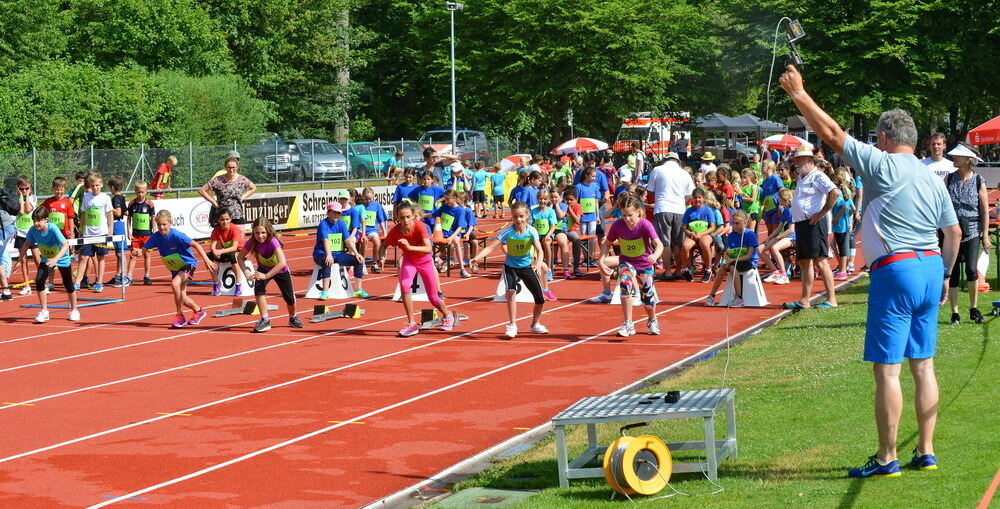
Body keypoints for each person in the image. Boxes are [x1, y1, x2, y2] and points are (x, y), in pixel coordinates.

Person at [780, 64, 960, 478]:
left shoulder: (881, 163)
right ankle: (926, 451)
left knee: (888, 370)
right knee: (924, 366)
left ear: (882, 139)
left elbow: (831, 133)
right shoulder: (933, 176)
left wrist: (799, 94)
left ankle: (886, 457)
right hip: (931, 267)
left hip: (897, 270)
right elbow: (952, 233)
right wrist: (946, 276)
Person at [473, 202, 550, 339]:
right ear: (512, 217)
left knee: (540, 299)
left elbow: (539, 250)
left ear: (527, 216)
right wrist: (477, 257)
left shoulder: (531, 231)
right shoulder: (508, 232)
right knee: (511, 292)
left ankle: (535, 324)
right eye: (515, 217)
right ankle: (512, 324)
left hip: (526, 267)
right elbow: (491, 247)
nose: (518, 219)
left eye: (521, 216)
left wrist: (538, 264)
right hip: (510, 267)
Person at [593, 195, 663, 335]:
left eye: (630, 215)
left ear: (638, 212)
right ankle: (628, 324)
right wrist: (601, 261)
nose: (627, 219)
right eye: (624, 215)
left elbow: (659, 244)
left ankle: (652, 320)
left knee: (648, 298)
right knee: (625, 288)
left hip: (644, 264)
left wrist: (655, 255)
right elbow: (606, 244)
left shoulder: (645, 224)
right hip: (626, 262)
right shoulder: (617, 226)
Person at [781, 145, 840, 310]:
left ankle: (832, 299)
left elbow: (835, 192)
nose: (796, 162)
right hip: (802, 224)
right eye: (795, 159)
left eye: (799, 159)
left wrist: (821, 213)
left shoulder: (817, 176)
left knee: (820, 260)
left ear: (809, 160)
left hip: (814, 224)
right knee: (805, 262)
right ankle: (804, 300)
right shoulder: (802, 176)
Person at [384, 202, 455, 337]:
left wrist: (410, 247)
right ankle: (411, 323)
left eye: (408, 217)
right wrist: (381, 257)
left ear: (413, 216)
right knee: (404, 285)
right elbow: (384, 244)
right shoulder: (395, 231)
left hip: (425, 261)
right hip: (409, 261)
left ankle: (447, 315)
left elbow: (429, 249)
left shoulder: (420, 226)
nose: (405, 220)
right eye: (402, 217)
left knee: (433, 297)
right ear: (397, 217)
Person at [944, 142, 991, 324]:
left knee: (971, 270)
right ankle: (955, 312)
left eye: (957, 156)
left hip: (972, 230)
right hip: (952, 232)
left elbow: (984, 211)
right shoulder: (949, 179)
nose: (953, 158)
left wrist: (985, 235)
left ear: (967, 159)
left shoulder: (979, 181)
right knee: (953, 271)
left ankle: (974, 308)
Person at [143, 210, 215, 328]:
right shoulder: (156, 237)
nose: (162, 227)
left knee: (174, 284)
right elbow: (144, 249)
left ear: (170, 223)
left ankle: (180, 316)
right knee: (182, 296)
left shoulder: (177, 235)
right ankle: (199, 311)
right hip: (175, 267)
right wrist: (138, 252)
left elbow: (196, 244)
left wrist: (207, 260)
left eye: (164, 224)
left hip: (187, 264)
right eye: (159, 224)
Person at [238, 217, 301, 332]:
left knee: (289, 298)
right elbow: (240, 257)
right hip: (263, 268)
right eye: (257, 233)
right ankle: (264, 319)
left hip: (280, 270)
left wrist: (266, 276)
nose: (260, 236)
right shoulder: (252, 241)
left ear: (268, 231)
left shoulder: (273, 241)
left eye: (263, 233)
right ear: (253, 232)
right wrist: (246, 273)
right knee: (258, 291)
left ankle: (293, 317)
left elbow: (282, 263)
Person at [24, 207, 79, 323]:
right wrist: (20, 258)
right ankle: (44, 311)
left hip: (62, 258)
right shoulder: (33, 230)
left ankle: (74, 310)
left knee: (68, 284)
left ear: (46, 220)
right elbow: (26, 244)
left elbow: (65, 245)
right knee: (39, 281)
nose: (36, 223)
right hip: (46, 259)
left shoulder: (53, 228)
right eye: (34, 221)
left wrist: (55, 259)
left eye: (39, 220)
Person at [645, 152, 695, 281]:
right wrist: (682, 203)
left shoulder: (657, 170)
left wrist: (657, 200)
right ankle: (678, 270)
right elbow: (691, 194)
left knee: (664, 242)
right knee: (678, 243)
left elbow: (649, 191)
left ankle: (667, 272)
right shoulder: (684, 173)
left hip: (662, 208)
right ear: (677, 161)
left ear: (665, 160)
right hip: (679, 210)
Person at [706, 210, 758, 307]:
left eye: (737, 223)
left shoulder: (750, 235)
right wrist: (728, 258)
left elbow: (749, 256)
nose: (734, 225)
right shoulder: (731, 236)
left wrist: (732, 261)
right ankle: (712, 295)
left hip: (749, 262)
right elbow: (727, 252)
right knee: (722, 268)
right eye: (733, 223)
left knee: (732, 267)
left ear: (745, 223)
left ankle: (739, 298)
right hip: (733, 261)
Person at [314, 202, 365, 300]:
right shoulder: (323, 224)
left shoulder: (341, 223)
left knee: (359, 261)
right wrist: (329, 254)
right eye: (334, 212)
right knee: (327, 261)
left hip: (338, 254)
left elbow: (347, 240)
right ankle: (325, 292)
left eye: (338, 213)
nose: (336, 215)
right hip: (321, 253)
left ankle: (358, 290)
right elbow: (325, 240)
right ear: (328, 213)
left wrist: (356, 253)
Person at [74, 173, 114, 293]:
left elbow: (110, 214)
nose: (95, 187)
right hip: (88, 233)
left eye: (97, 185)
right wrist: (81, 229)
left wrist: (110, 230)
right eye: (93, 185)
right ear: (90, 186)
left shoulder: (105, 198)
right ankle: (77, 283)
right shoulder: (87, 197)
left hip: (101, 233)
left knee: (100, 257)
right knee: (83, 257)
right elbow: (83, 214)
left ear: (101, 185)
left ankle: (99, 282)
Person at [199, 156, 257, 226]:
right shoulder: (218, 180)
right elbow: (202, 190)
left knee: (239, 233)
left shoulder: (242, 179)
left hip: (237, 216)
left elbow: (253, 188)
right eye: (229, 167)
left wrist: (243, 197)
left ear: (237, 167)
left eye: (233, 167)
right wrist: (214, 202)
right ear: (225, 167)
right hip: (222, 217)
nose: (231, 170)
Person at [678, 189, 717, 282]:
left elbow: (712, 227)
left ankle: (708, 270)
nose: (697, 200)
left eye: (699, 197)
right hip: (692, 235)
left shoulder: (708, 210)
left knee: (704, 244)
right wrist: (689, 233)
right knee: (685, 246)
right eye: (695, 198)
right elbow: (684, 227)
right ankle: (685, 269)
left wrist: (701, 234)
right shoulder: (689, 211)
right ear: (692, 198)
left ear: (703, 198)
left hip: (705, 234)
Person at [206, 208, 247, 296]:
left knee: (233, 255)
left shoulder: (234, 229)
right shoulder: (216, 230)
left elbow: (234, 247)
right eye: (222, 220)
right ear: (218, 220)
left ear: (231, 219)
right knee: (209, 256)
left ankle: (238, 283)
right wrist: (214, 251)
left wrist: (220, 251)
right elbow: (212, 246)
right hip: (225, 252)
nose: (225, 222)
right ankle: (216, 282)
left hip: (239, 252)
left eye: (227, 219)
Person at [760, 188, 795, 285]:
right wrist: (769, 238)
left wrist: (777, 238)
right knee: (759, 249)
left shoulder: (791, 211)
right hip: (785, 237)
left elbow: (791, 230)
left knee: (774, 248)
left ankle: (784, 275)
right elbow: (779, 228)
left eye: (779, 198)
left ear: (784, 198)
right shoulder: (785, 210)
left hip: (793, 237)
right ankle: (775, 272)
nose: (777, 200)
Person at [125, 181, 155, 286]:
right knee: (133, 255)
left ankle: (147, 276)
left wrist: (154, 232)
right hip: (135, 235)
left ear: (146, 191)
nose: (140, 194)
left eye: (142, 192)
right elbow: (129, 219)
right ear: (135, 191)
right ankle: (129, 276)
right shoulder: (131, 204)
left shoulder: (149, 204)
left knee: (147, 254)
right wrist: (128, 231)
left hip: (147, 235)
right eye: (138, 192)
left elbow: (153, 218)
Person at [12, 175, 37, 295]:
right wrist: (21, 197)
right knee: (23, 260)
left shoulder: (33, 198)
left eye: (26, 188)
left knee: (37, 258)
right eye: (21, 189)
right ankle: (27, 285)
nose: (24, 191)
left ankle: (42, 282)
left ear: (29, 187)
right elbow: (21, 211)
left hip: (32, 233)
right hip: (21, 234)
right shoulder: (15, 199)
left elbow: (27, 209)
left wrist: (26, 196)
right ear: (18, 188)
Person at [830, 172, 856, 281]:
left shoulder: (838, 193)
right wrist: (847, 218)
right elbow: (853, 209)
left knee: (842, 248)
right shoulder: (846, 192)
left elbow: (843, 207)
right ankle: (842, 269)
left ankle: (842, 271)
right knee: (842, 247)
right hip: (845, 224)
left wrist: (836, 218)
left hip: (839, 225)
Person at [106, 176, 128, 287]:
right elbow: (126, 212)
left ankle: (124, 276)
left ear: (112, 188)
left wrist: (109, 208)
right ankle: (118, 275)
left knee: (120, 253)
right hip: (119, 225)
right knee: (118, 252)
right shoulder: (122, 198)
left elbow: (118, 212)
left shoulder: (116, 199)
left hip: (117, 225)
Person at [361, 187, 387, 278]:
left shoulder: (377, 205)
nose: (368, 201)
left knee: (377, 241)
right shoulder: (360, 206)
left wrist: (384, 231)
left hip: (372, 230)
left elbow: (381, 220)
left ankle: (374, 263)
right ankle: (362, 263)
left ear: (373, 196)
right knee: (364, 241)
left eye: (370, 199)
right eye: (366, 199)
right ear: (363, 197)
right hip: (361, 230)